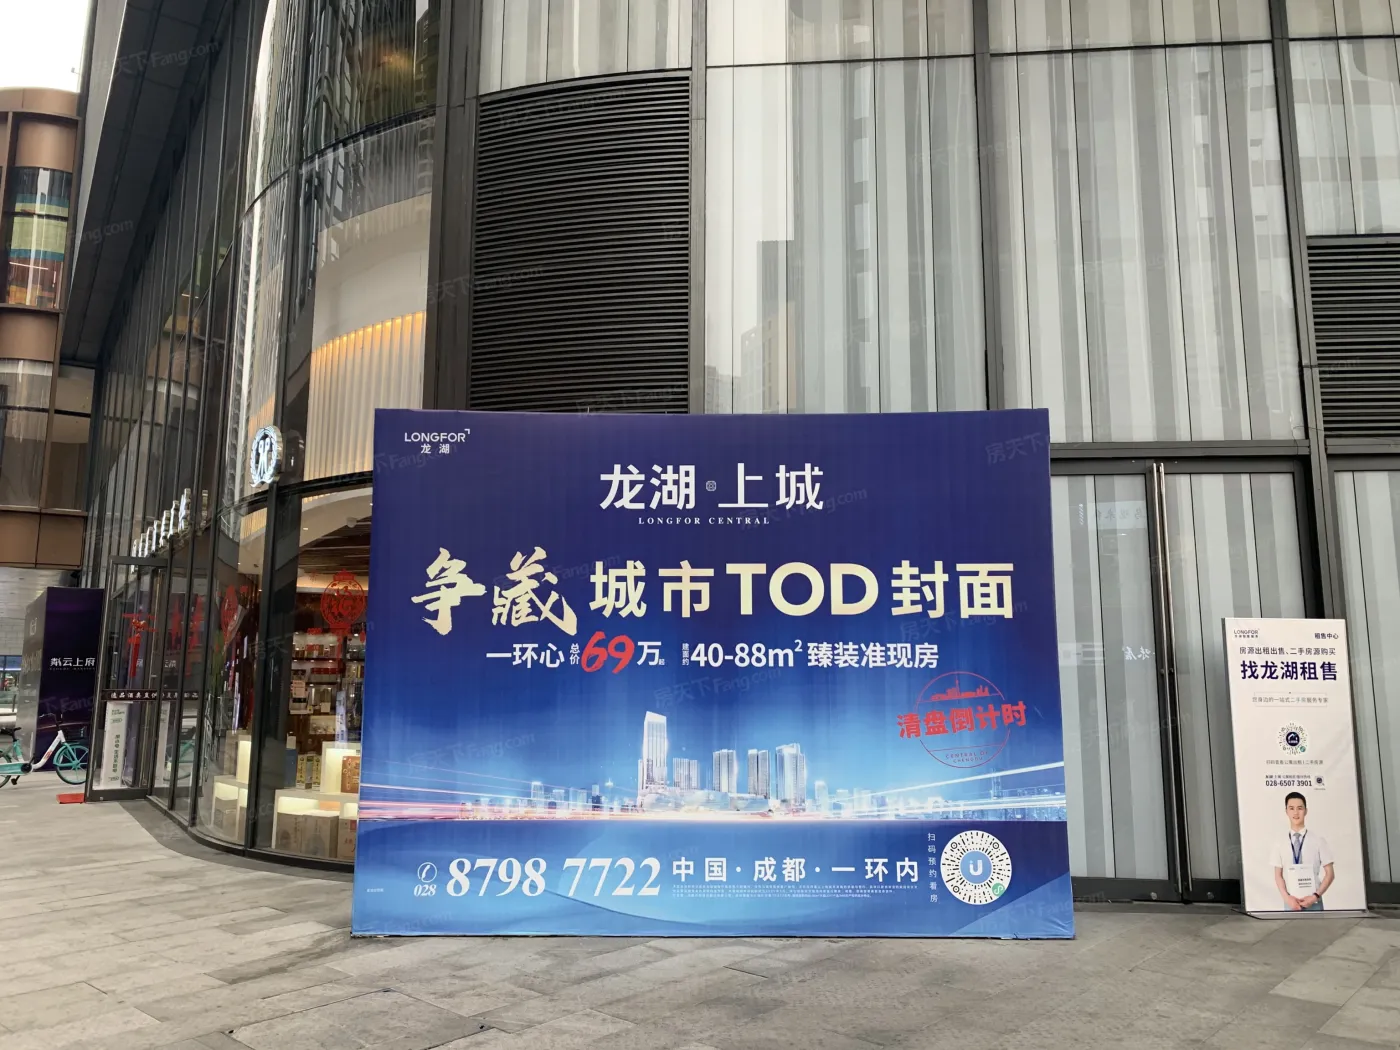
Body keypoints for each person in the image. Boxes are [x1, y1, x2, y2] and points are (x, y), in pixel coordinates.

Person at [1272, 791, 1334, 911]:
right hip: (1290, 903)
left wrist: (1315, 896)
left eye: (1300, 808)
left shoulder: (1318, 840)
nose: (1296, 812)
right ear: (1286, 811)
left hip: (1314, 902)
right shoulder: (1279, 842)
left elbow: (1330, 874)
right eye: (1291, 808)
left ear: (1306, 811)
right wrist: (1287, 898)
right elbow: (1278, 875)